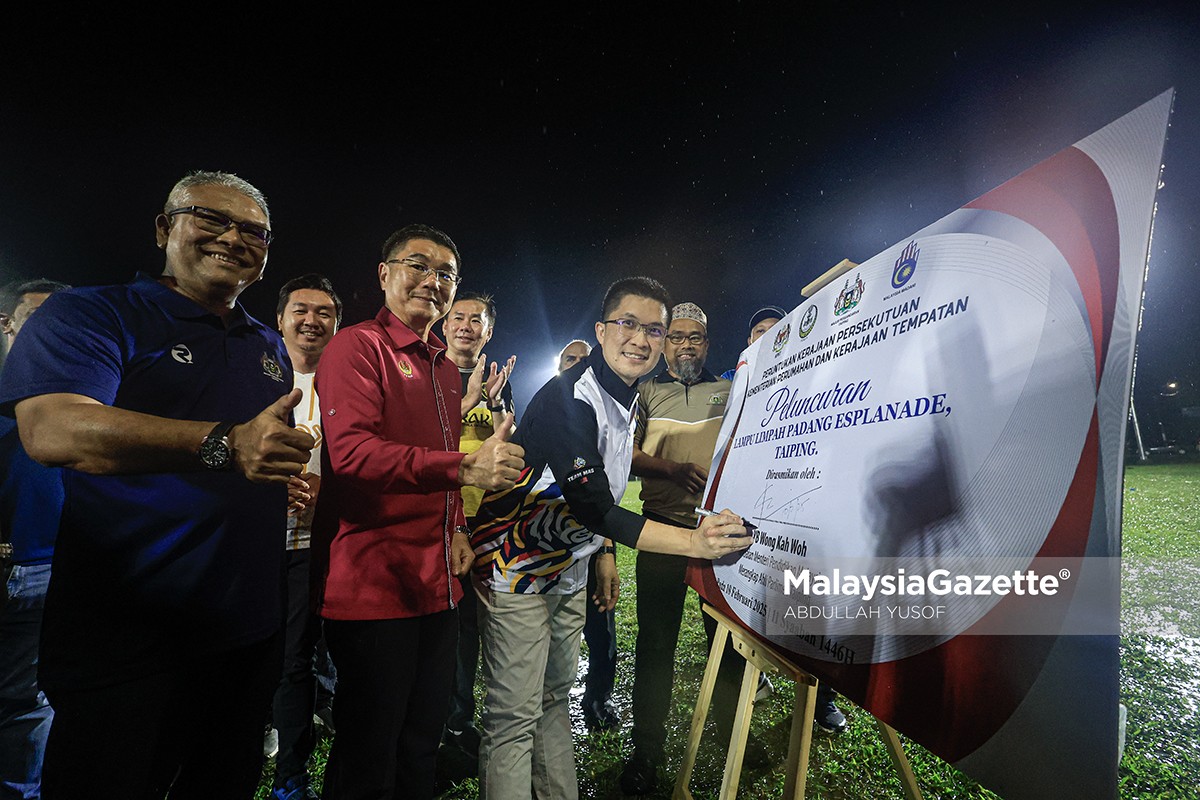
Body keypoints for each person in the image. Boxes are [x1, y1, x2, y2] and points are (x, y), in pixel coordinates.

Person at [0, 170, 314, 799]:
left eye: (255, 231)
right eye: (212, 218)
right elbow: (51, 428)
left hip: (245, 635)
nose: (234, 238)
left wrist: (271, 475)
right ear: (164, 227)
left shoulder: (265, 344)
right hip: (128, 637)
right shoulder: (93, 312)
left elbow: (249, 455)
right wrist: (226, 444)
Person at [470, 277, 751, 800]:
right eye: (627, 324)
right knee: (513, 719)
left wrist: (599, 558)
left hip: (569, 568)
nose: (640, 339)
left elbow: (604, 498)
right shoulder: (569, 396)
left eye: (653, 330)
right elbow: (595, 505)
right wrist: (694, 543)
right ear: (601, 331)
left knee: (555, 700)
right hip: (519, 569)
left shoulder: (627, 396)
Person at [310, 224, 524, 800]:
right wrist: (463, 469)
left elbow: (438, 455)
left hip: (439, 584)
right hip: (375, 585)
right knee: (368, 747)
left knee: (420, 742)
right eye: (418, 266)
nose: (433, 282)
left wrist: (456, 524)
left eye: (447, 274)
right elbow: (352, 454)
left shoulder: (445, 369)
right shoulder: (357, 347)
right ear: (385, 274)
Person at [621, 301, 754, 794]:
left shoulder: (730, 391)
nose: (686, 345)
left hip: (719, 539)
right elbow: (625, 457)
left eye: (695, 336)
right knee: (655, 644)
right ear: (664, 343)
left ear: (706, 342)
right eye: (676, 336)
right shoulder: (645, 392)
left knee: (728, 645)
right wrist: (672, 469)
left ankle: (731, 736)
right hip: (662, 532)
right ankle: (646, 750)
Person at [269, 274, 342, 800]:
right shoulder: (257, 378)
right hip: (255, 543)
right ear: (280, 318)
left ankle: (290, 776)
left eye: (324, 313)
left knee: (301, 659)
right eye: (301, 310)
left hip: (319, 547)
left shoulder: (349, 383)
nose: (312, 321)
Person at [0, 278, 69, 800]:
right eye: (36, 320)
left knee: (26, 707)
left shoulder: (84, 393)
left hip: (44, 568)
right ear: (8, 325)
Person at [441, 291, 516, 761]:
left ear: (488, 331)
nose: (466, 326)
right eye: (459, 318)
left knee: (473, 628)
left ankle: (461, 720)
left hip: (484, 523)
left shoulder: (498, 383)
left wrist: (498, 405)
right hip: (438, 519)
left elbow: (511, 447)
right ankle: (438, 720)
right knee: (440, 628)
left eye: (477, 320)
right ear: (445, 325)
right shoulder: (428, 373)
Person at [556, 339, 620, 730]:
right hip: (553, 548)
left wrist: (607, 551)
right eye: (570, 358)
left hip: (595, 543)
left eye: (584, 359)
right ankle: (553, 703)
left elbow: (608, 495)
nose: (578, 364)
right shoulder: (545, 413)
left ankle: (597, 699)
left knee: (602, 627)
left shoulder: (603, 414)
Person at [720, 305, 786, 380]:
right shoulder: (732, 378)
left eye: (775, 328)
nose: (768, 335)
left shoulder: (799, 366)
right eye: (761, 331)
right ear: (750, 342)